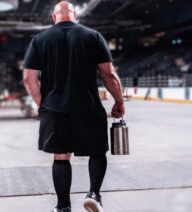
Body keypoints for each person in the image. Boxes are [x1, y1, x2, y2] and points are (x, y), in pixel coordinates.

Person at [23, 1, 124, 212]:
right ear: (75, 15)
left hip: (55, 108)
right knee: (97, 152)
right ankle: (94, 195)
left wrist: (43, 104)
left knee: (61, 156)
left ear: (54, 17)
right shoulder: (93, 36)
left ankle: (62, 207)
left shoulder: (39, 40)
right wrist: (119, 100)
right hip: (87, 106)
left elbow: (28, 79)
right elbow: (108, 74)